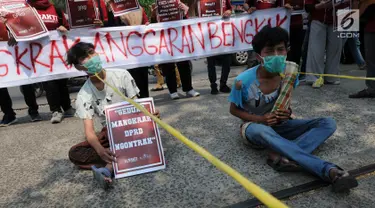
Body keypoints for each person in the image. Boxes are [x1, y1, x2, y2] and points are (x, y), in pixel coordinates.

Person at [228, 26, 358, 193]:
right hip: (253, 127)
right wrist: (261, 119)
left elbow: (285, 102)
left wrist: (287, 113)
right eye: (269, 51)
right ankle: (330, 170)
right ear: (259, 55)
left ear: (287, 50)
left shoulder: (289, 73)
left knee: (328, 123)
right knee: (262, 130)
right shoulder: (243, 81)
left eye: (280, 49)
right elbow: (233, 110)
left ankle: (282, 156)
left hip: (279, 125)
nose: (276, 55)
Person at [66, 42, 160, 189]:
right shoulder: (83, 95)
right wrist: (100, 150)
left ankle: (109, 167)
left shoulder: (122, 75)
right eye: (85, 57)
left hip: (134, 128)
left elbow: (138, 107)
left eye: (92, 52)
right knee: (76, 153)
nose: (92, 58)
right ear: (78, 67)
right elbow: (89, 132)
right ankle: (124, 157)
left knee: (142, 136)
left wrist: (150, 115)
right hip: (111, 134)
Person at [23, 0, 75, 123]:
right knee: (49, 82)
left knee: (62, 80)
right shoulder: (26, 10)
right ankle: (56, 110)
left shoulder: (56, 9)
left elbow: (67, 27)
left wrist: (64, 28)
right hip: (39, 54)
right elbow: (21, 30)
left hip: (57, 52)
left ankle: (67, 107)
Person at [94, 0, 151, 98]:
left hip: (138, 51)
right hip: (122, 53)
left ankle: (145, 102)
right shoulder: (111, 8)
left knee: (141, 78)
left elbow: (145, 22)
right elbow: (111, 28)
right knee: (126, 79)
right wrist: (104, 22)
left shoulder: (137, 7)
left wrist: (146, 25)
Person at [156, 2, 200, 100]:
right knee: (168, 66)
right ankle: (173, 91)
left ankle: (188, 89)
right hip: (165, 40)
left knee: (184, 63)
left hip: (180, 38)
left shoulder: (178, 4)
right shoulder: (157, 6)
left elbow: (187, 21)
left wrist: (185, 11)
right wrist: (154, 14)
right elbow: (153, 23)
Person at [304, 0, 349, 88]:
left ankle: (332, 77)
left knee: (336, 49)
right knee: (316, 49)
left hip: (340, 18)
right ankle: (314, 78)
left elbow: (350, 3)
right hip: (318, 18)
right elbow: (307, 7)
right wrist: (318, 6)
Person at [205, 0, 233, 94]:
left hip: (224, 34)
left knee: (227, 61)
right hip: (209, 35)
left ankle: (223, 84)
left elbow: (230, 8)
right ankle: (213, 85)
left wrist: (229, 11)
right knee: (211, 63)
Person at [349, 0, 375, 98]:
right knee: (371, 60)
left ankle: (371, 89)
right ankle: (372, 89)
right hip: (369, 27)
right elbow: (355, 14)